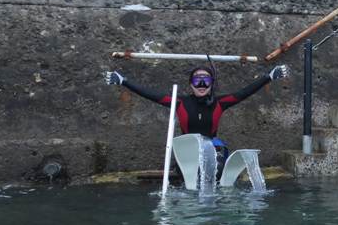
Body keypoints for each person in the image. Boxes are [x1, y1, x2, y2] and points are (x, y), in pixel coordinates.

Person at [103, 62, 288, 177]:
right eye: (197, 81)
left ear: (211, 85)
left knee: (217, 170)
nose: (201, 86)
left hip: (213, 157)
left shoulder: (220, 102)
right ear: (191, 84)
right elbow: (152, 95)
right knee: (189, 176)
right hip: (188, 158)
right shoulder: (179, 102)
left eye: (206, 81)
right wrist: (124, 81)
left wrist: (268, 77)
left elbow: (244, 93)